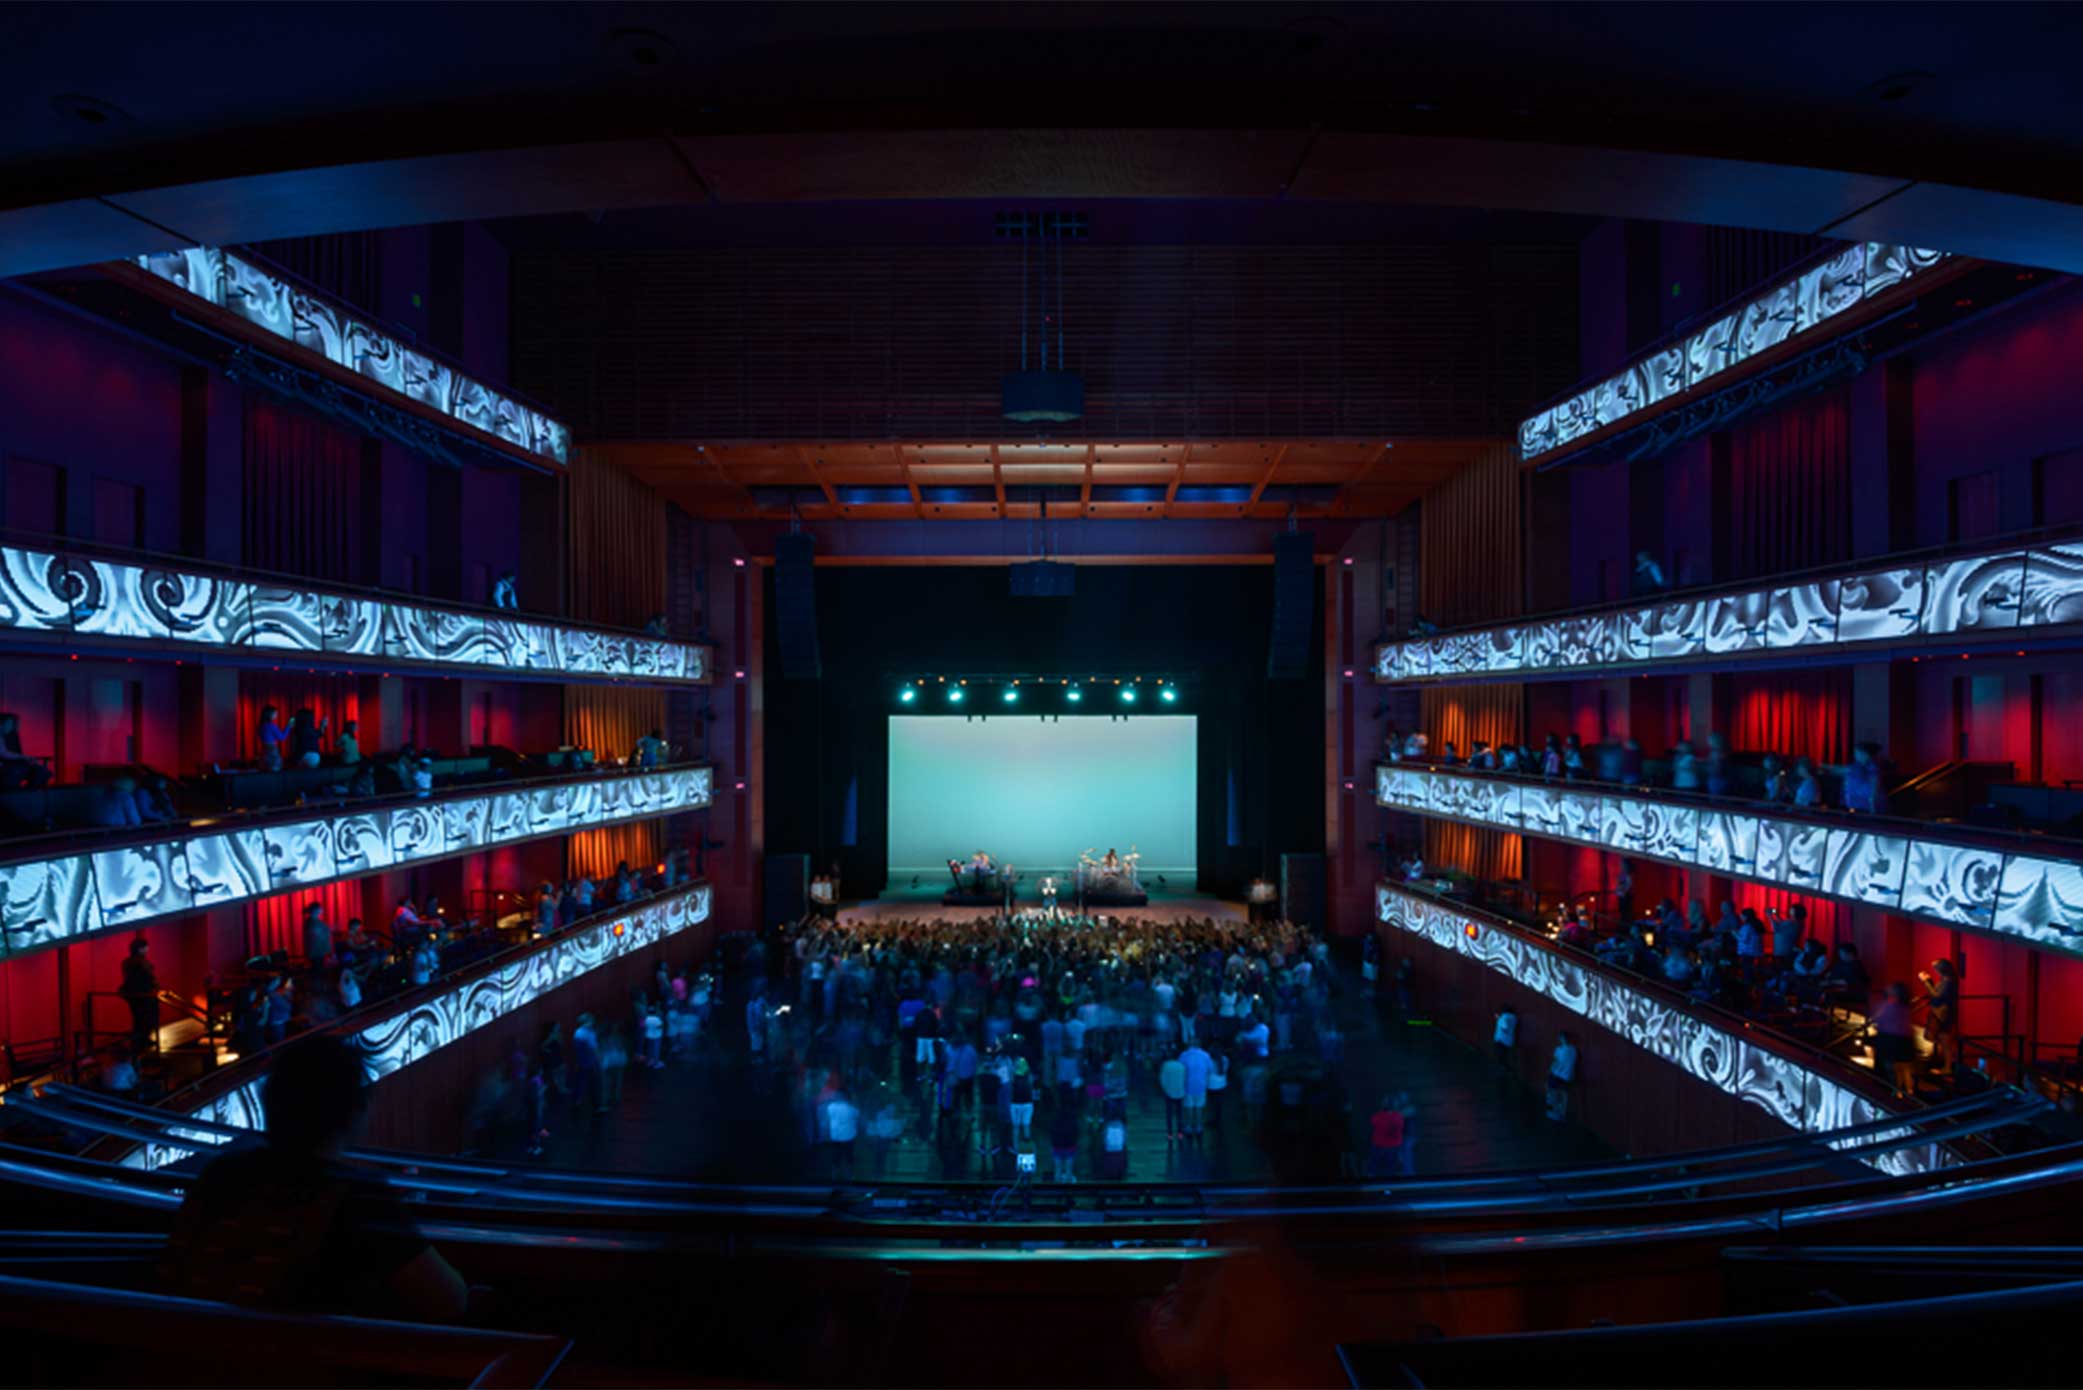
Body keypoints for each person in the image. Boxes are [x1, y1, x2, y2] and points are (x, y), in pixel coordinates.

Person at [161, 1036, 470, 1318]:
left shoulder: (221, 1173)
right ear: (353, 1112)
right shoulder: (358, 1196)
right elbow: (450, 1299)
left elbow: (174, 1270)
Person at [1871, 982, 1918, 1096]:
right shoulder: (1906, 1006)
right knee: (1905, 1067)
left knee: (1890, 1067)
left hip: (1889, 1038)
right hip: (1905, 1038)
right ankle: (1909, 1091)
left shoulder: (1889, 1005)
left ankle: (1895, 1091)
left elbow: (1878, 1019)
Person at [1920, 958, 1960, 1074]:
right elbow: (1937, 993)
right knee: (1941, 1039)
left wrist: (1925, 982)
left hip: (1943, 1014)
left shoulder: (1948, 982)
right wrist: (1929, 981)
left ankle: (1948, 1066)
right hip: (1942, 1013)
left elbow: (1937, 996)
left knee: (1944, 1039)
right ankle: (1946, 1063)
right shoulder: (1947, 980)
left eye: (1936, 969)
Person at [119, 936, 159, 1053]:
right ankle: (144, 1040)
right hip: (145, 995)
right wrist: (156, 986)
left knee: (138, 1018)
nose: (148, 949)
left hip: (132, 995)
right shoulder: (142, 962)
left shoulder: (126, 962)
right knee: (147, 1018)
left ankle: (139, 1041)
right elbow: (150, 976)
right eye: (146, 947)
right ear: (140, 949)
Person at [0, 712, 52, 791]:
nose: (10, 726)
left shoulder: (6, 736)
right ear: (1, 724)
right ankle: (25, 793)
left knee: (41, 771)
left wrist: (27, 759)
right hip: (9, 766)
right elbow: (4, 753)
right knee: (16, 773)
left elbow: (7, 753)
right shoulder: (6, 737)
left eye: (12, 723)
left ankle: (28, 792)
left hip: (13, 764)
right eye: (9, 723)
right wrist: (24, 758)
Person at [1842, 742, 1887, 815]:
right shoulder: (1854, 767)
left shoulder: (1873, 770)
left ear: (1866, 754)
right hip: (1854, 806)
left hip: (1866, 808)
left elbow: (1874, 790)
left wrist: (1873, 809)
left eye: (1857, 753)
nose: (1855, 755)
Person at [1368, 1094, 1406, 1178]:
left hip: (1383, 1147)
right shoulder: (1398, 1116)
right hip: (1389, 1147)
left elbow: (1373, 1123)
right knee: (1391, 1170)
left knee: (1375, 1170)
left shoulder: (1378, 1116)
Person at [1546, 1031, 1579, 1121]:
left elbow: (1555, 1063)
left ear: (1561, 1038)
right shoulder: (1574, 1050)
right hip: (1568, 1077)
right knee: (1564, 1094)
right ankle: (1562, 1113)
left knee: (1553, 1092)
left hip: (1557, 1075)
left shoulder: (1559, 1050)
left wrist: (1549, 1070)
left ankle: (1555, 1111)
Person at [301, 903, 333, 970]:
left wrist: (328, 930)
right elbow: (314, 934)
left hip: (318, 949)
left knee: (319, 967)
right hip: (316, 950)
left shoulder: (313, 920)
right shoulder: (311, 922)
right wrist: (327, 931)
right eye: (320, 908)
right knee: (317, 969)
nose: (322, 910)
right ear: (316, 910)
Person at [257, 705, 288, 772]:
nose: (276, 715)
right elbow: (282, 737)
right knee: (274, 768)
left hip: (264, 748)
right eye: (275, 713)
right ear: (269, 714)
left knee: (265, 768)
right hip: (272, 748)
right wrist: (289, 726)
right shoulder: (271, 725)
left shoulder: (261, 725)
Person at [1492, 1005, 1518, 1077]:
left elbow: (1505, 1027)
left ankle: (1502, 1071)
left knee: (1500, 1056)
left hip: (1501, 1040)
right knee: (1505, 1056)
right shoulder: (1515, 1018)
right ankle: (1505, 1070)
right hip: (1509, 1041)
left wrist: (1498, 1018)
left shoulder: (1504, 1017)